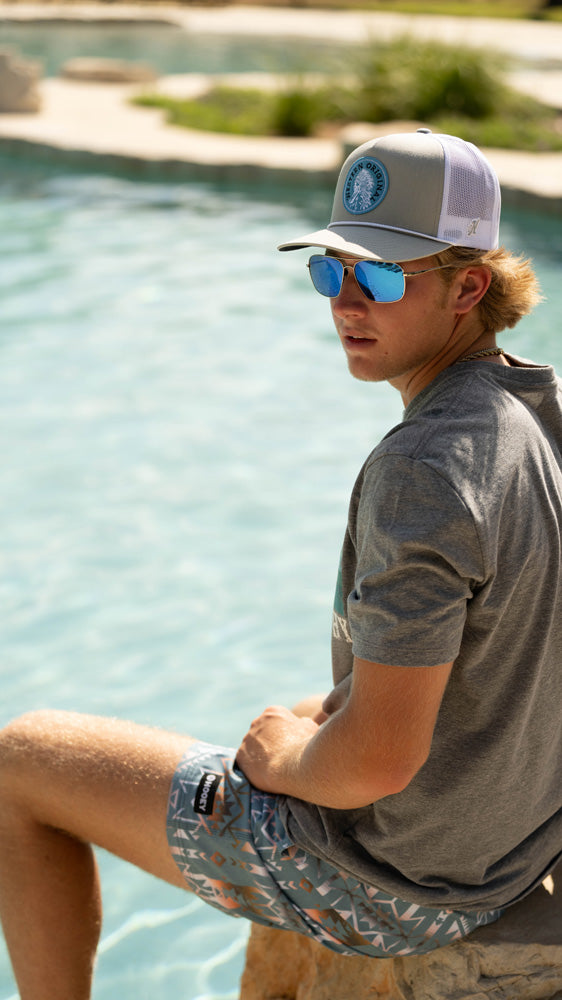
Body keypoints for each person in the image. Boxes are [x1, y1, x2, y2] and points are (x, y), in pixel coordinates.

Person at [0, 128, 559, 1000]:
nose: (347, 303)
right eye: (331, 271)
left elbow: (376, 765)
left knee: (21, 760)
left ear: (469, 287)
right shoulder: (535, 413)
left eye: (381, 277)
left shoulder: (426, 468)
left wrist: (287, 760)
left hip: (401, 888)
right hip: (512, 846)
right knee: (305, 708)